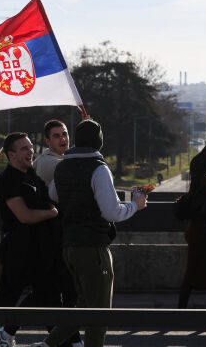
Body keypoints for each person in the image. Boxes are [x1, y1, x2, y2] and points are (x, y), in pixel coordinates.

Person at [30, 119, 147, 347]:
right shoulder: (99, 168)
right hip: (93, 246)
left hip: (69, 246)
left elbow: (54, 194)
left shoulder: (63, 167)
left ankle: (47, 345)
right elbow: (111, 212)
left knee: (84, 305)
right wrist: (136, 205)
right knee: (100, 311)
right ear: (98, 141)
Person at [0, 132, 59, 347]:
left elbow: (46, 202)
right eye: (24, 149)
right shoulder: (7, 180)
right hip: (18, 253)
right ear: (11, 155)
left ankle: (60, 342)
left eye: (30, 148)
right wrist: (52, 213)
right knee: (3, 302)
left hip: (39, 251)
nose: (30, 152)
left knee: (50, 299)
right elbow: (25, 215)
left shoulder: (32, 176)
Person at [178, 144, 206, 309]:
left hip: (194, 230)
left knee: (192, 273)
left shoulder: (197, 176)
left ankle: (181, 310)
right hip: (205, 232)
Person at [33, 119, 70, 185]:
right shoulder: (47, 162)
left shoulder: (47, 154)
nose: (63, 139)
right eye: (56, 136)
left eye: (64, 134)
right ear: (48, 141)